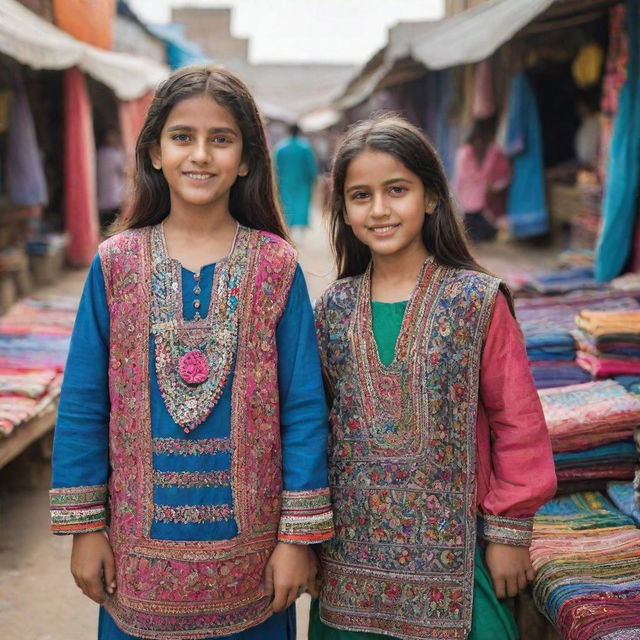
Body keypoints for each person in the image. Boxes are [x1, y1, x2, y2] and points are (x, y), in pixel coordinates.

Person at [49, 65, 333, 640]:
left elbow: (303, 408)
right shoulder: (116, 264)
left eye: (220, 139)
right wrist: (86, 530)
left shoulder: (276, 266)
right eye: (182, 137)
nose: (200, 155)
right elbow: (83, 404)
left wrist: (296, 539)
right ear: (154, 152)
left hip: (254, 570)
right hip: (136, 566)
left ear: (247, 159)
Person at [310, 114, 556, 640]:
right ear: (344, 212)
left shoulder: (476, 300)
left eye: (396, 190)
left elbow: (518, 422)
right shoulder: (332, 309)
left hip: (458, 557)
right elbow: (313, 426)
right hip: (349, 562)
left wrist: (510, 532)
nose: (379, 209)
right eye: (360, 195)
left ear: (430, 197)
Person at [452, 117, 511, 242]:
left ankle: (481, 234)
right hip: (476, 195)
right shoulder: (486, 150)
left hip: (476, 195)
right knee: (475, 219)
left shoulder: (471, 150)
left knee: (474, 220)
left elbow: (461, 172)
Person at [274, 123, 318, 242]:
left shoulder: (281, 148)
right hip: (302, 182)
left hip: (285, 183)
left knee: (287, 205)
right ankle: (299, 234)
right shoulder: (305, 147)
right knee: (301, 205)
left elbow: (276, 167)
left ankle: (288, 232)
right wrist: (313, 179)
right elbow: (311, 166)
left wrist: (276, 183)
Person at [96, 129, 126, 229]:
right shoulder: (113, 153)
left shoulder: (100, 153)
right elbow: (123, 170)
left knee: (106, 218)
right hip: (114, 192)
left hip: (105, 191)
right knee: (114, 217)